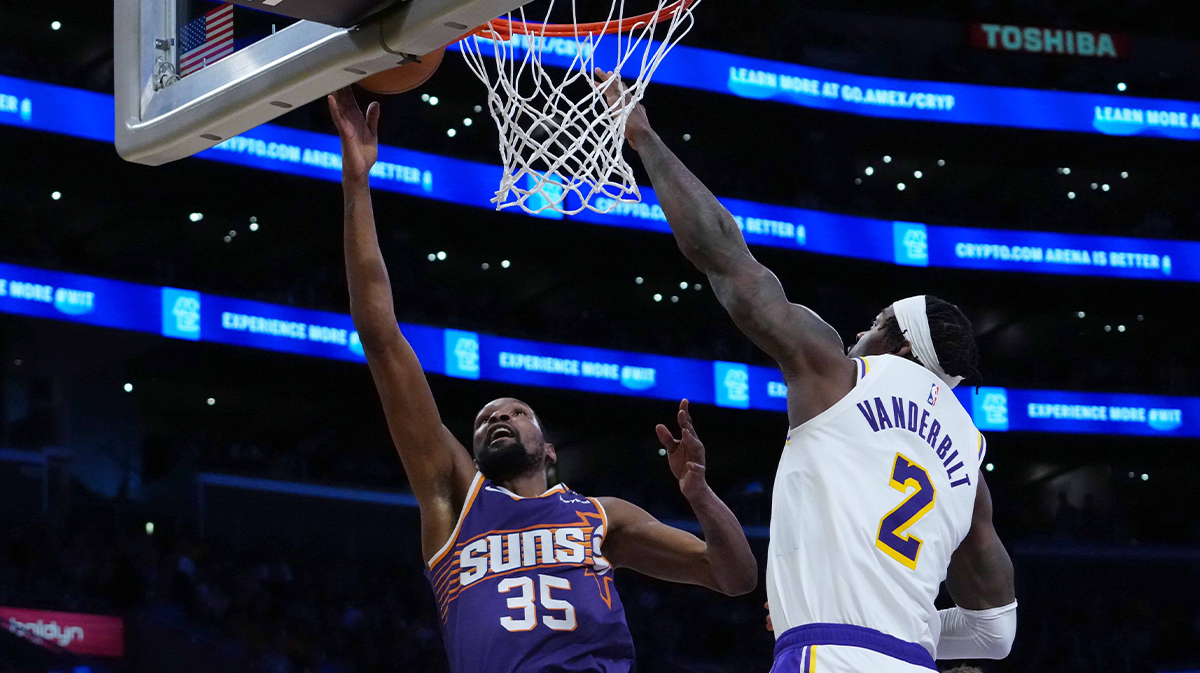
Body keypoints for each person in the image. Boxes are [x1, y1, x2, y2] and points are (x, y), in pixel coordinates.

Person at [328, 87, 758, 673]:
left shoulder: (603, 516)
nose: (495, 417)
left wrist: (700, 495)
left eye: (514, 412)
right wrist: (356, 179)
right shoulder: (454, 499)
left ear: (550, 450)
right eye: (484, 419)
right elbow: (380, 335)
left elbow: (733, 577)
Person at [599, 71, 1017, 671]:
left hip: (828, 655)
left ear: (900, 348)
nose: (857, 336)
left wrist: (644, 139)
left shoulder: (842, 374)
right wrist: (901, 623)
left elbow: (724, 258)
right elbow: (993, 635)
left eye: (873, 325)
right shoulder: (971, 464)